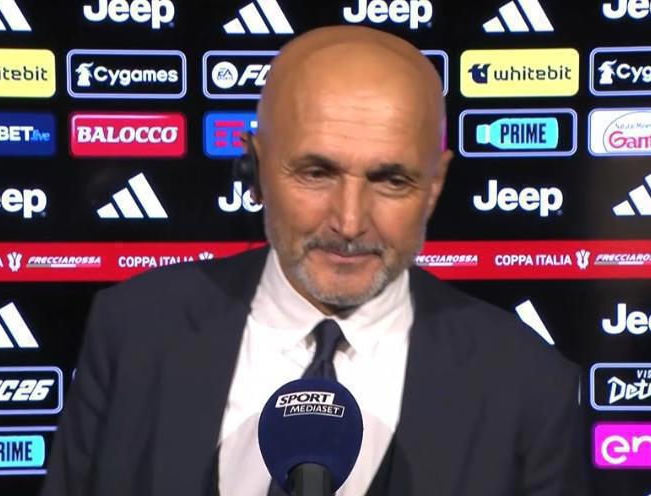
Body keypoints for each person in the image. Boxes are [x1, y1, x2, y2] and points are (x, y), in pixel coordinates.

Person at [41, 25, 588, 496]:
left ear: (435, 184)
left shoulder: (530, 386)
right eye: (316, 173)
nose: (349, 223)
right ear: (255, 167)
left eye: (391, 180)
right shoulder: (133, 330)